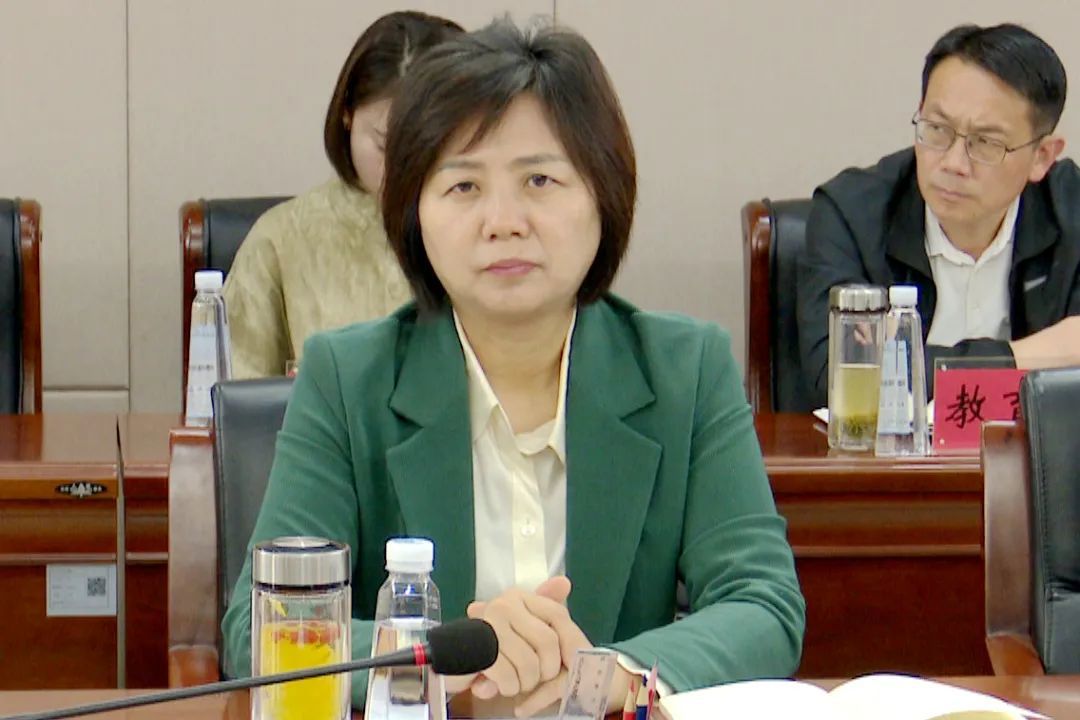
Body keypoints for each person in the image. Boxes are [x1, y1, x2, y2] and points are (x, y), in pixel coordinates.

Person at [222, 19, 805, 716]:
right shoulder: (348, 379)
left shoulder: (686, 371)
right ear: (414, 215)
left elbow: (763, 604)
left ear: (603, 194)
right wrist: (444, 655)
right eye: (463, 186)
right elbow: (261, 629)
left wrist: (617, 674)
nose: (503, 220)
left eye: (539, 179)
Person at [797, 23, 1080, 406]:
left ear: (1041, 157)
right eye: (937, 129)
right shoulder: (850, 214)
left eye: (985, 142)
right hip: (894, 448)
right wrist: (1024, 357)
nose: (953, 163)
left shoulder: (1072, 212)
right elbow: (839, 376)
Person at [223, 11, 463, 379]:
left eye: (424, 149)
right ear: (347, 114)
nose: (403, 170)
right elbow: (234, 399)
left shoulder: (494, 231)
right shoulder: (281, 239)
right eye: (384, 145)